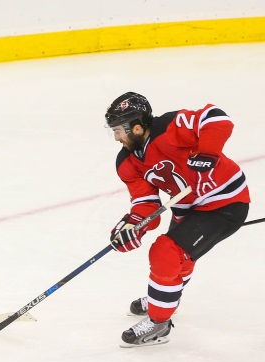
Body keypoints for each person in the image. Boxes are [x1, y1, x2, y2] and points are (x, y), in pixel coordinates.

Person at [105, 92, 250, 347]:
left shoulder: (170, 127)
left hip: (225, 202)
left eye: (118, 130)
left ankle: (159, 322)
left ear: (136, 127)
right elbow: (146, 204)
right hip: (187, 207)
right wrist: (132, 227)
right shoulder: (126, 162)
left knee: (166, 252)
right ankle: (164, 297)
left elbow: (216, 118)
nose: (116, 138)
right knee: (179, 258)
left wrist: (208, 152)